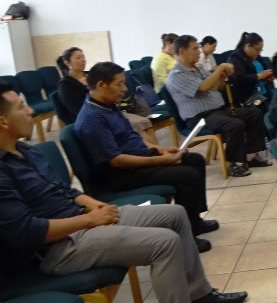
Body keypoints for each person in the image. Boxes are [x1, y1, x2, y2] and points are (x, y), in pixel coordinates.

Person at [0, 81, 248, 303]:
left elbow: (64, 189)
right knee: (165, 243)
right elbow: (26, 232)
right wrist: (89, 220)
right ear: (3, 121)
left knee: (175, 214)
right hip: (60, 248)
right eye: (22, 107)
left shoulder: (26, 151)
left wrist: (91, 204)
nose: (31, 111)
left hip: (80, 219)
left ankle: (199, 294)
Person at [72, 62, 217, 253]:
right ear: (101, 85)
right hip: (119, 175)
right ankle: (187, 235)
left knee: (194, 160)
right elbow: (116, 161)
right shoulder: (93, 118)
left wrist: (161, 149)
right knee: (186, 175)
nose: (124, 89)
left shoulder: (108, 106)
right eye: (119, 84)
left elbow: (133, 138)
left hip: (135, 161)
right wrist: (160, 160)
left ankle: (194, 221)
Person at [166, 35, 270, 178]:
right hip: (199, 118)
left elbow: (218, 87)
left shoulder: (198, 68)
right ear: (183, 51)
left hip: (217, 111)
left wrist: (221, 76)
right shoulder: (176, 75)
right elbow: (204, 87)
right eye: (195, 48)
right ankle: (234, 164)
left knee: (254, 112)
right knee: (235, 124)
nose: (199, 51)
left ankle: (251, 156)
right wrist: (220, 69)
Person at [56, 47, 158, 145]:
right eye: (78, 58)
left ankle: (154, 151)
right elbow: (78, 110)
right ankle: (150, 151)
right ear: (67, 62)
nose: (83, 60)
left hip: (110, 109)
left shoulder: (90, 75)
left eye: (83, 57)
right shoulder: (65, 85)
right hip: (97, 116)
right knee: (136, 124)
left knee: (144, 122)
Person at [228, 32, 274, 111]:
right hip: (247, 98)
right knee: (265, 109)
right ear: (248, 46)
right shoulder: (236, 58)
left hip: (262, 92)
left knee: (276, 104)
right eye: (257, 49)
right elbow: (240, 79)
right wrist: (259, 76)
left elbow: (265, 68)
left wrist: (268, 75)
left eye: (260, 50)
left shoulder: (255, 56)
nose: (259, 52)